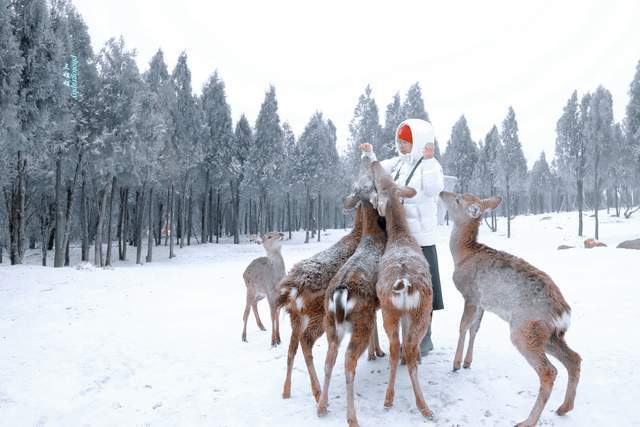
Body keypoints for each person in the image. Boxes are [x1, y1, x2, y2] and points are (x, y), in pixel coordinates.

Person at [360, 118, 444, 356]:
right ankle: (403, 333)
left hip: (421, 238)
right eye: (400, 141)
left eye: (407, 142)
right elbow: (379, 171)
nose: (402, 145)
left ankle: (425, 336)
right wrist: (371, 153)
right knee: (399, 286)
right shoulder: (398, 164)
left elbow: (431, 189)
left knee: (426, 288)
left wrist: (428, 161)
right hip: (397, 235)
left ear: (419, 142)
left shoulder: (431, 165)